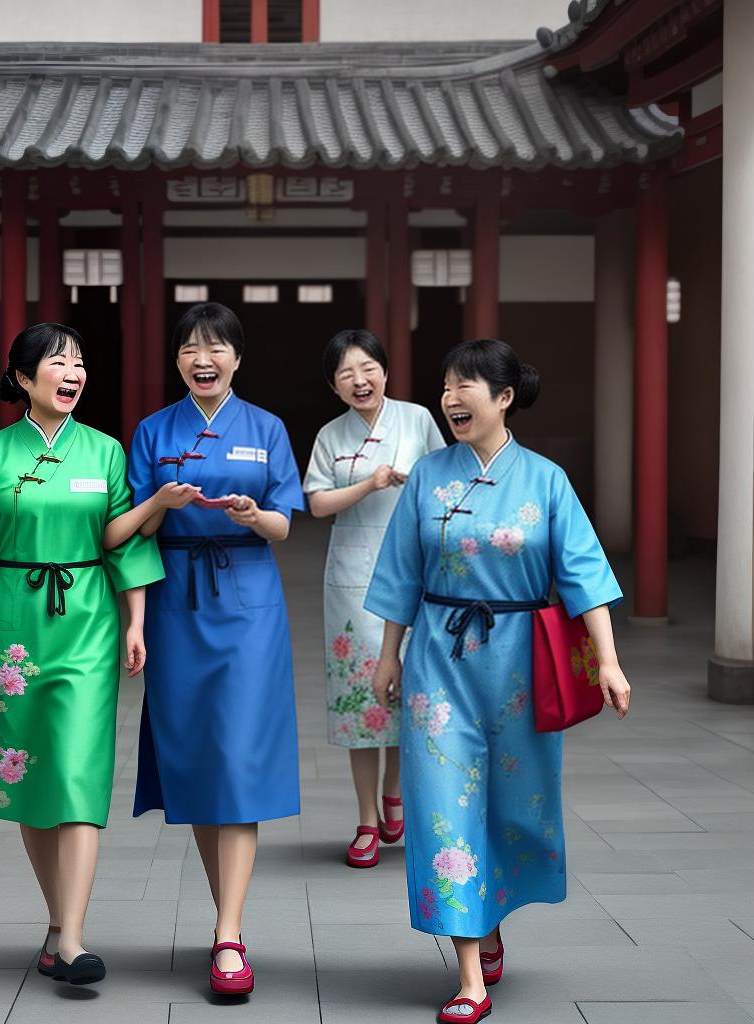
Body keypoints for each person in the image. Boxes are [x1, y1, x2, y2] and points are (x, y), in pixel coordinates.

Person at [365, 338, 631, 1024]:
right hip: (438, 663)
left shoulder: (546, 480)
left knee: (515, 803)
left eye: (467, 386)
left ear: (504, 397)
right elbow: (400, 570)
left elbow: (584, 576)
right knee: (442, 804)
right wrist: (388, 654)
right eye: (446, 386)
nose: (451, 398)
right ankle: (466, 976)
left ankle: (491, 920)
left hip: (521, 664)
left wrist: (607, 659)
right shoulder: (427, 476)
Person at [0, 323, 187, 988]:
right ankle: (56, 924)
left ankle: (72, 939)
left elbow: (124, 540)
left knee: (77, 769)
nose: (72, 373)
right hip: (12, 622)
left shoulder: (104, 452)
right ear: (22, 379)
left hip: (88, 621)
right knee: (29, 775)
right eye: (57, 363)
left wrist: (135, 620)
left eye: (79, 362)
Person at [127, 302, 305, 996]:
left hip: (248, 603)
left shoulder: (267, 429)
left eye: (217, 348)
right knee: (201, 760)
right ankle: (223, 919)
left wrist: (254, 515)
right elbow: (134, 528)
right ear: (177, 362)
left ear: (237, 357)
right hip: (176, 601)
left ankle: (229, 932)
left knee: (237, 756)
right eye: (191, 349)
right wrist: (163, 506)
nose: (204, 359)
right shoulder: (153, 430)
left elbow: (284, 524)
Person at [303, 329, 444, 868]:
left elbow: (443, 486)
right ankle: (366, 819)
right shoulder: (329, 436)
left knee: (409, 693)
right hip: (352, 579)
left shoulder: (418, 420)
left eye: (369, 369)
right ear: (334, 386)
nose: (360, 380)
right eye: (346, 374)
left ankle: (396, 792)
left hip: (414, 573)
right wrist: (371, 482)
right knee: (361, 702)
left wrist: (412, 486)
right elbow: (316, 504)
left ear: (385, 371)